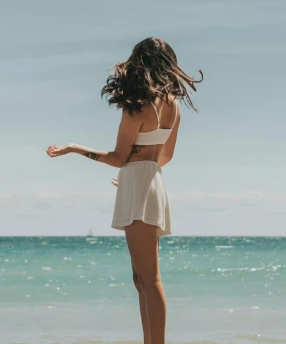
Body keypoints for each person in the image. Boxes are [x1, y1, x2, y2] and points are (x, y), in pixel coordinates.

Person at [46, 36, 202, 344]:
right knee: (141, 278)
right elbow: (165, 155)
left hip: (141, 183)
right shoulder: (173, 106)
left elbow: (118, 157)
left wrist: (75, 148)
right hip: (152, 182)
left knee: (150, 278)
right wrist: (136, 174)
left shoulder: (137, 108)